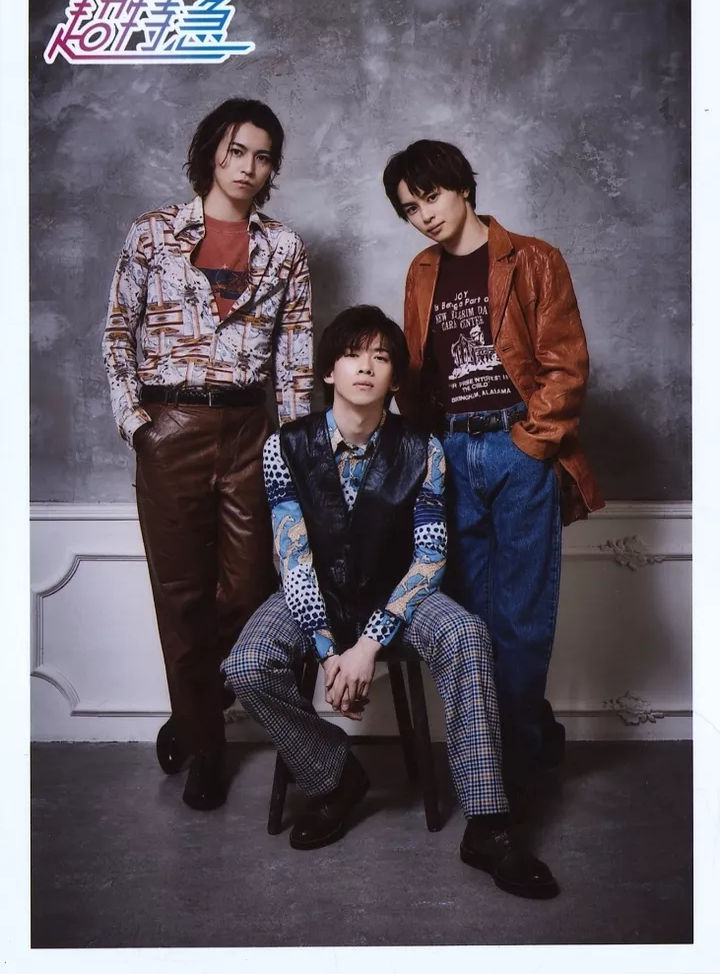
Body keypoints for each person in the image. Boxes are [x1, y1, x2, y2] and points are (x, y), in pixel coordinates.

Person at [223, 305, 559, 899]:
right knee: (246, 665)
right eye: (353, 354)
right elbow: (292, 556)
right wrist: (330, 651)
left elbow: (429, 557)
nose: (365, 367)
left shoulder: (424, 448)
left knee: (467, 635)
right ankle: (333, 775)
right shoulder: (285, 446)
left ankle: (488, 825)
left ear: (395, 379)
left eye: (380, 358)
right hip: (315, 592)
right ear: (329, 370)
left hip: (400, 593)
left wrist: (368, 644)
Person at [101, 99, 313, 811]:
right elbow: (117, 331)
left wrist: (293, 445)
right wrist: (136, 424)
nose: (249, 167)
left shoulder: (285, 247)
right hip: (170, 428)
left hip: (251, 431)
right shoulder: (153, 232)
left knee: (248, 590)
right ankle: (207, 746)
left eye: (264, 156)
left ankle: (196, 704)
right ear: (211, 152)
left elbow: (296, 358)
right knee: (182, 595)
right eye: (237, 150)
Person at [382, 140, 604, 807]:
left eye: (431, 197)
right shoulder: (422, 271)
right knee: (471, 618)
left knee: (522, 617)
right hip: (450, 451)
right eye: (409, 208)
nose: (424, 214)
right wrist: (425, 450)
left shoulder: (534, 259)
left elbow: (566, 365)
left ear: (462, 188)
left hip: (517, 446)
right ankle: (514, 741)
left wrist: (530, 442)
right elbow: (418, 370)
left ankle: (517, 764)